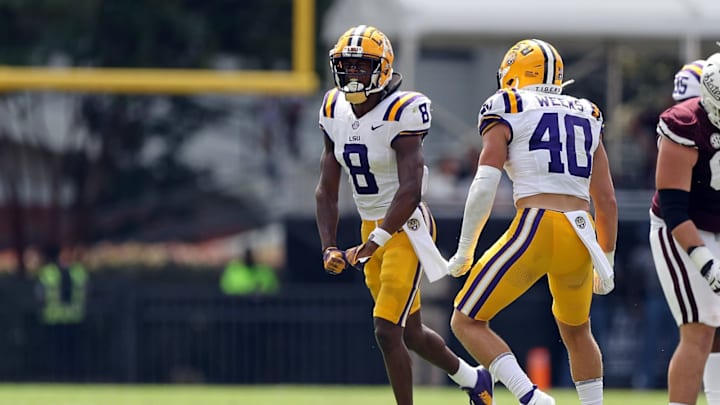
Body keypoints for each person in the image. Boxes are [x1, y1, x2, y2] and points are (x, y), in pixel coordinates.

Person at [315, 25, 491, 405]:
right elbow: (326, 189)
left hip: (405, 227)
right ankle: (474, 378)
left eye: (363, 67)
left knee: (385, 330)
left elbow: (410, 189)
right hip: (370, 225)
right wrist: (328, 246)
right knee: (410, 333)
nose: (353, 75)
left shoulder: (403, 109)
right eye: (347, 67)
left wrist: (371, 244)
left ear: (382, 69)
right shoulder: (333, 108)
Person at [447, 39, 618, 405]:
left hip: (536, 226)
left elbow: (484, 184)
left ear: (513, 74)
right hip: (581, 232)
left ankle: (531, 398)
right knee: (577, 331)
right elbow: (606, 198)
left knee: (465, 320)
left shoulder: (507, 104)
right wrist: (608, 257)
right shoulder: (587, 111)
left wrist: (465, 250)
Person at [649, 52, 720, 405]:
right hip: (680, 229)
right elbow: (675, 209)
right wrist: (707, 263)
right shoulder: (685, 123)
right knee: (700, 326)